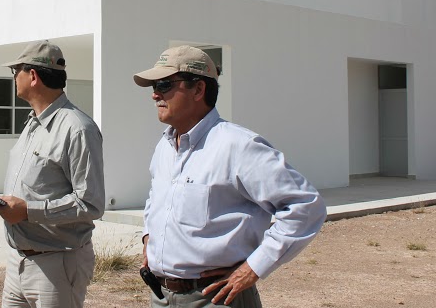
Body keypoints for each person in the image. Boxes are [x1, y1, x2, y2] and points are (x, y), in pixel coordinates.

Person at [135, 45, 326, 308]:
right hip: (161, 296)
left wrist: (253, 268)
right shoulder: (165, 146)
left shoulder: (238, 146)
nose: (155, 94)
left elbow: (306, 207)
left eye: (165, 84)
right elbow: (157, 199)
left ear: (199, 89)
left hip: (215, 299)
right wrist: (149, 238)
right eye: (154, 86)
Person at [0, 40, 105, 308]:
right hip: (18, 259)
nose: (14, 78)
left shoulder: (77, 128)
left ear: (32, 76)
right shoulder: (33, 123)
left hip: (57, 262)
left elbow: (90, 204)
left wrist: (28, 210)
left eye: (15, 71)